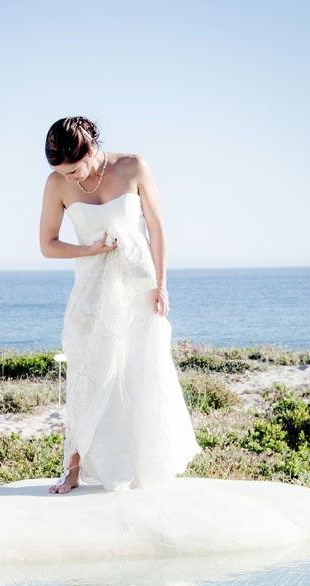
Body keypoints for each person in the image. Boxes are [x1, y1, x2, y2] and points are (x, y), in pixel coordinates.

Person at [39, 116, 201, 495]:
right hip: (92, 291)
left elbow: (157, 228)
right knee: (89, 372)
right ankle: (73, 470)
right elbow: (48, 244)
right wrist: (89, 249)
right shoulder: (56, 184)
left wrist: (162, 284)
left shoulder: (133, 167)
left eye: (75, 170)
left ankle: (145, 467)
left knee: (141, 371)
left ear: (91, 151)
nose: (72, 179)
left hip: (138, 286)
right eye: (64, 173)